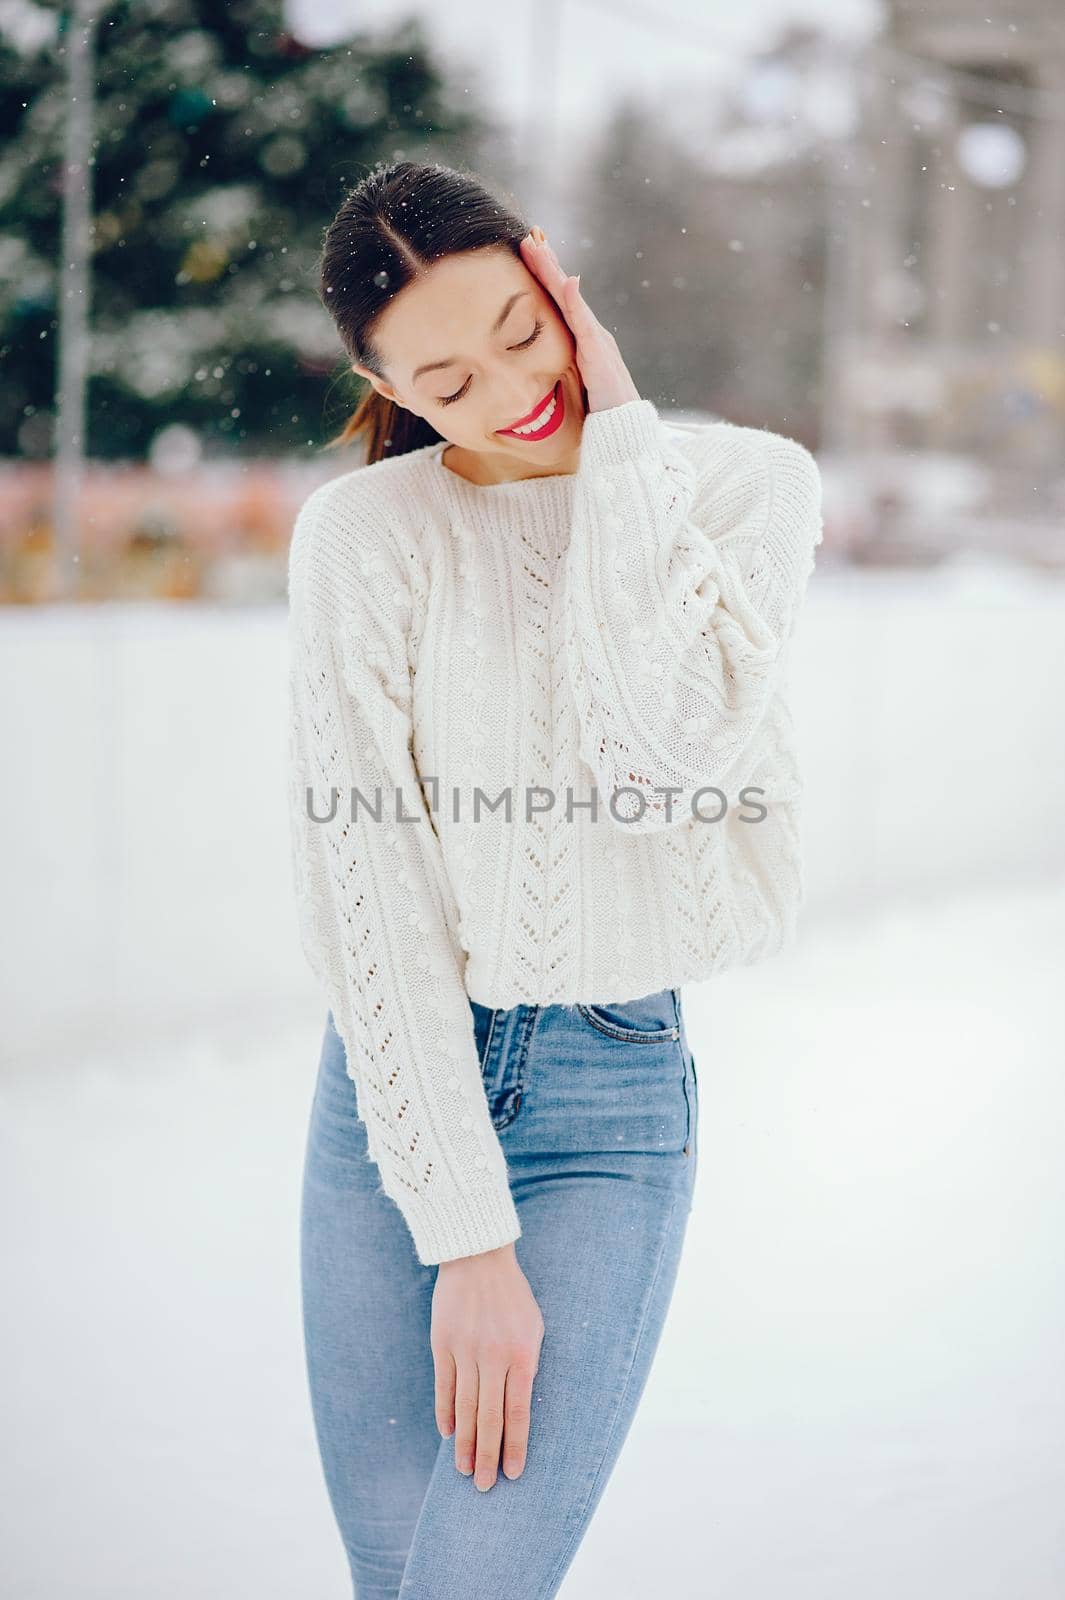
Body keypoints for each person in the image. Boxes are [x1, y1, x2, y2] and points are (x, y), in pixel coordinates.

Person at [287, 158, 823, 1599]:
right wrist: (461, 1233)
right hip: (392, 1089)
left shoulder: (742, 486)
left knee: (473, 1579)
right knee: (392, 1572)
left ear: (558, 287)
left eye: (523, 334)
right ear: (386, 383)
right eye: (445, 381)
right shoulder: (365, 538)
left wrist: (626, 448)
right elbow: (367, 884)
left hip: (608, 1085)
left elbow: (664, 754)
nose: (509, 394)